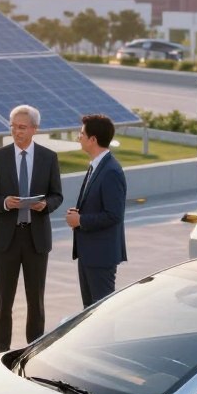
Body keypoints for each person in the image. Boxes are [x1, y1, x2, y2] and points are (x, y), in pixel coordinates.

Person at [0, 104, 64, 352]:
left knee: (35, 300)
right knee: (3, 300)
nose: (16, 131)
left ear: (34, 129)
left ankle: (34, 349)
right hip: (7, 239)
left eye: (22, 127)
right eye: (13, 126)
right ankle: (1, 350)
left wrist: (45, 205)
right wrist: (5, 202)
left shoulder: (49, 157)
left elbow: (57, 195)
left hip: (36, 238)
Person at [66, 113, 127, 307]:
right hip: (89, 254)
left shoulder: (111, 171)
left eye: (82, 134)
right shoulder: (97, 166)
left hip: (100, 257)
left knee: (101, 313)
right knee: (89, 313)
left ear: (93, 139)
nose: (79, 137)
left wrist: (81, 220)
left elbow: (114, 214)